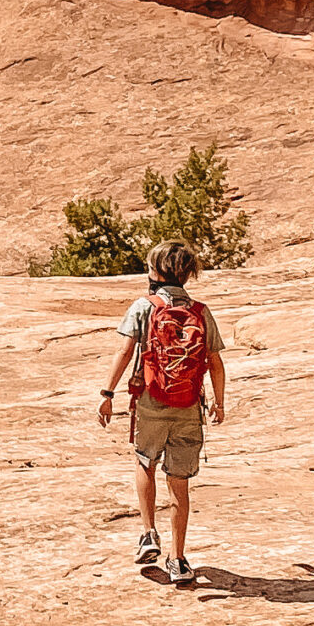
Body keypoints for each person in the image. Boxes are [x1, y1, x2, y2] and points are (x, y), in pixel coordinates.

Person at [97, 240, 229, 586]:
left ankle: (148, 534)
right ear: (187, 274)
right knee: (180, 484)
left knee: (145, 461)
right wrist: (219, 401)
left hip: (151, 401)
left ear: (155, 272)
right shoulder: (200, 311)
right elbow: (215, 361)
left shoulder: (144, 306)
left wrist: (107, 393)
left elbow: (125, 352)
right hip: (188, 405)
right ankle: (180, 559)